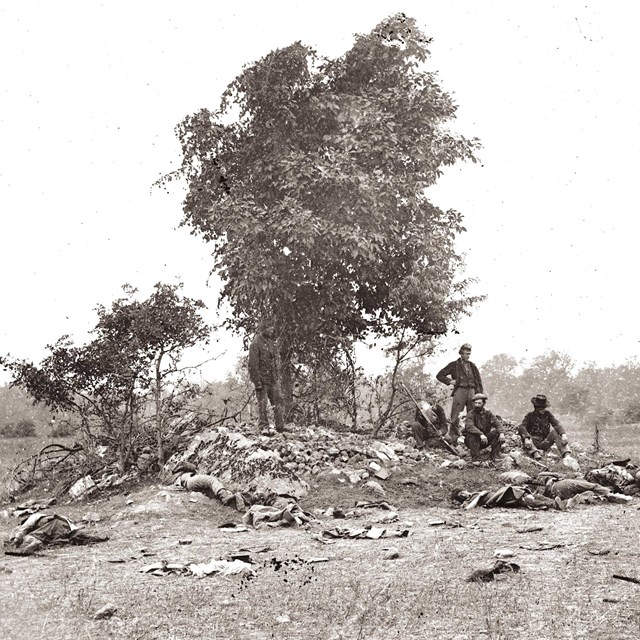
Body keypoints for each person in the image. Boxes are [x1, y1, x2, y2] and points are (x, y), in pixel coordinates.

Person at [436, 344, 483, 440]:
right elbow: (440, 375)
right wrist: (450, 381)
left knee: (473, 413)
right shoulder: (454, 365)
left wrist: (479, 395)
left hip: (472, 392)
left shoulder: (472, 366)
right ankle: (453, 436)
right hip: (460, 391)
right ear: (461, 353)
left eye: (469, 354)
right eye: (465, 353)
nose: (467, 356)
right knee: (456, 414)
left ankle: (472, 435)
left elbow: (478, 381)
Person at [248, 320, 285, 432]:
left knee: (278, 401)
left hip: (273, 378)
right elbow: (253, 364)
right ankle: (263, 426)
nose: (272, 330)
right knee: (262, 404)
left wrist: (277, 377)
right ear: (263, 329)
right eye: (269, 328)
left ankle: (280, 426)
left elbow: (274, 361)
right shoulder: (255, 344)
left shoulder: (270, 343)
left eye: (272, 328)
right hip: (262, 380)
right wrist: (257, 382)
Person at [518, 395, 571, 460]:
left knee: (556, 432)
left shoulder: (547, 414)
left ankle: (566, 454)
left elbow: (556, 424)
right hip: (532, 442)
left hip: (544, 442)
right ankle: (535, 454)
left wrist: (563, 434)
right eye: (541, 408)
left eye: (544, 408)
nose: (543, 410)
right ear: (536, 407)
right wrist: (526, 438)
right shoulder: (530, 416)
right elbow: (522, 427)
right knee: (524, 436)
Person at [463, 393, 505, 461]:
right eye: (475, 403)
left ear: (484, 403)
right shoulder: (471, 414)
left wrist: (502, 433)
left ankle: (495, 456)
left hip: (484, 440)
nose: (477, 405)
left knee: (497, 432)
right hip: (471, 441)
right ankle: (476, 459)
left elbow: (497, 423)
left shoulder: (488, 413)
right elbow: (470, 426)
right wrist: (480, 434)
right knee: (472, 434)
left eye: (479, 403)